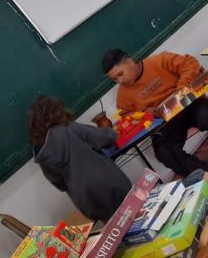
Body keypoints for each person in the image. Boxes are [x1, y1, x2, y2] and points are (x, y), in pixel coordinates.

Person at [102, 49, 208, 176]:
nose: (120, 81)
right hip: (165, 123)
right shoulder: (123, 95)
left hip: (190, 106)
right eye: (115, 79)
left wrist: (180, 89)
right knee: (164, 152)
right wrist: (145, 111)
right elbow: (127, 115)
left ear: (130, 61)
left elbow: (190, 63)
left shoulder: (159, 60)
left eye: (120, 74)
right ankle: (206, 177)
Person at [29, 95, 131, 223]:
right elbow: (103, 138)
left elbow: (58, 182)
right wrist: (112, 133)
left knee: (114, 225)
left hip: (85, 197)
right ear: (58, 112)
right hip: (107, 182)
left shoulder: (39, 151)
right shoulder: (68, 128)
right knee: (133, 211)